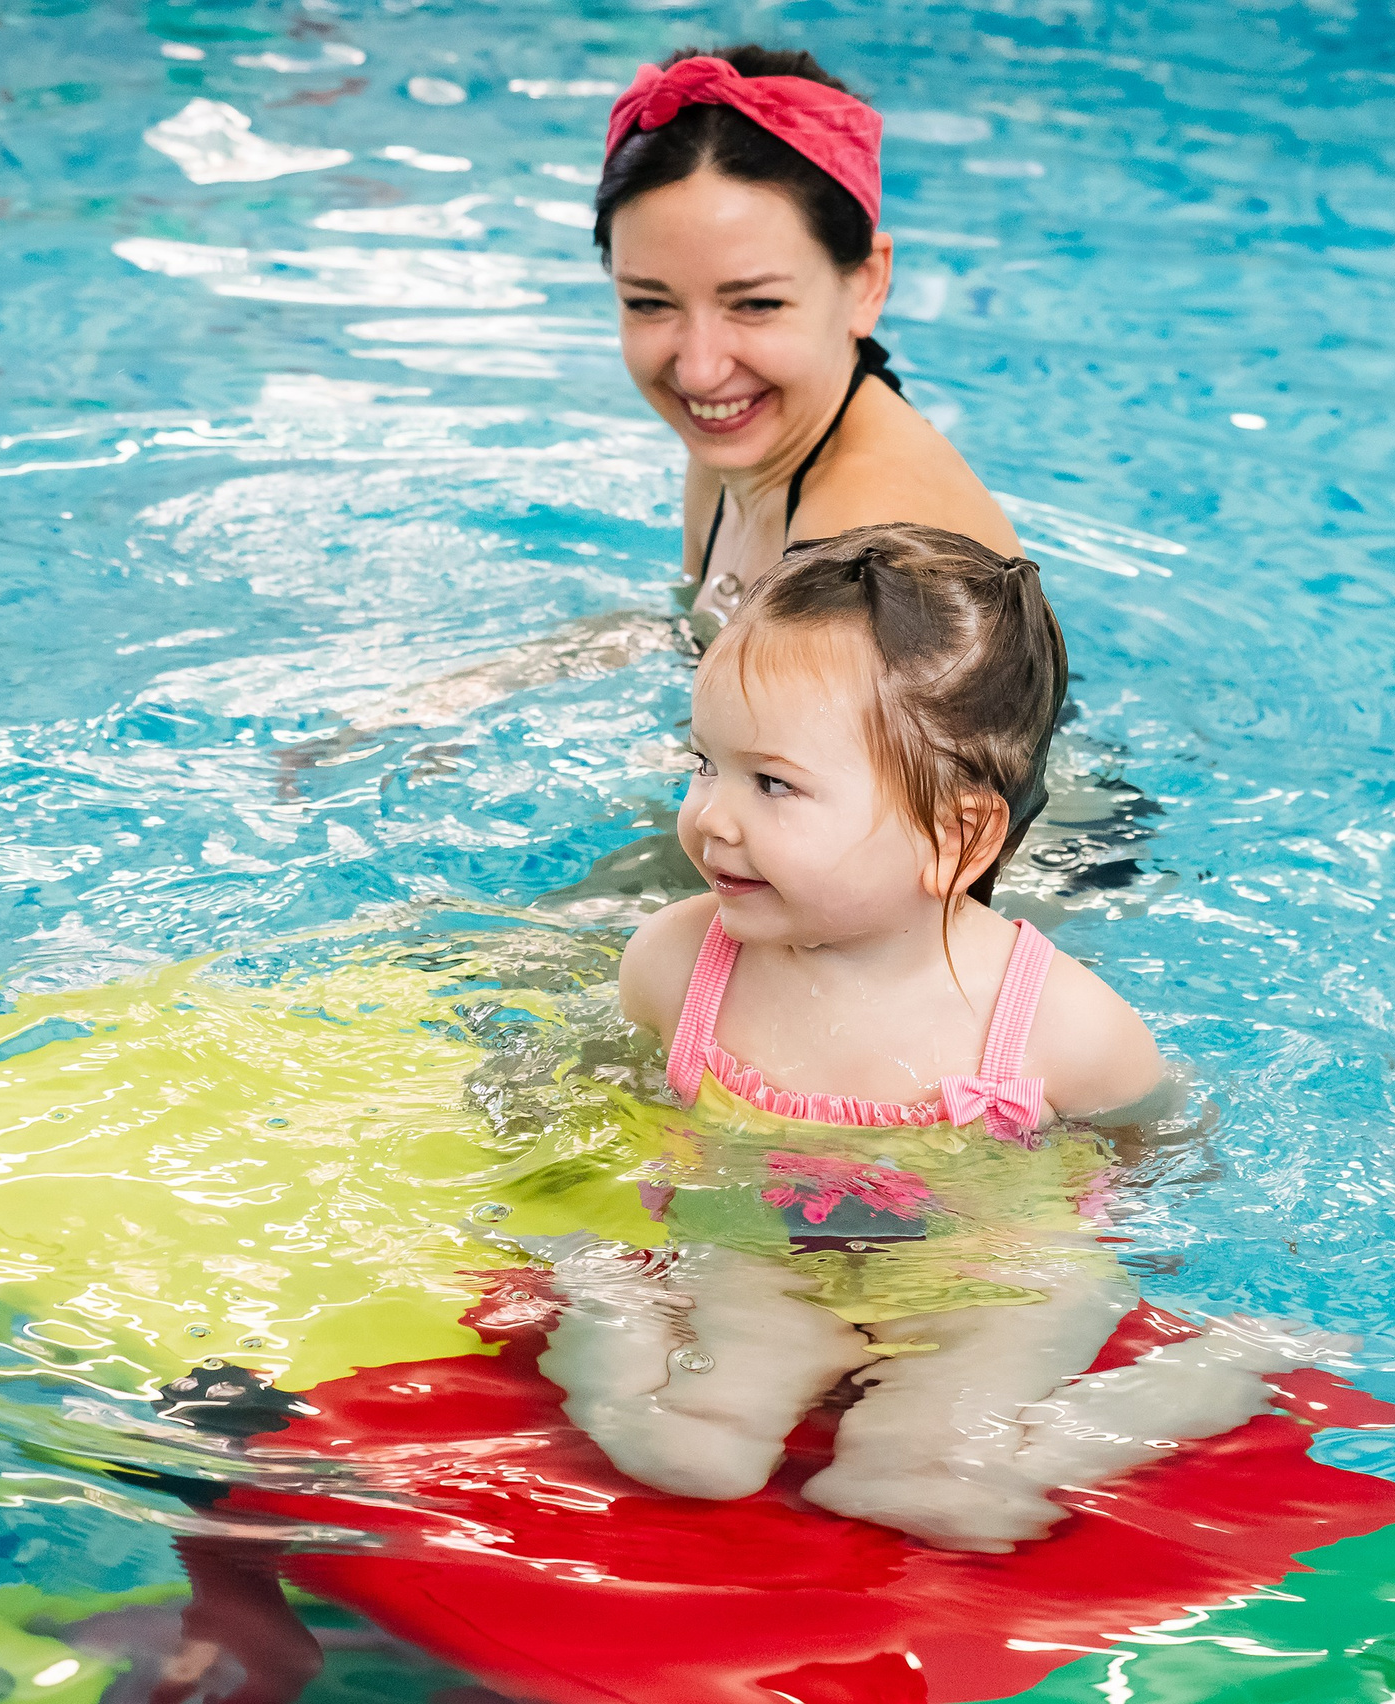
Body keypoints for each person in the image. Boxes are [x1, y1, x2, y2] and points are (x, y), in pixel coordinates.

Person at [535, 524, 1306, 1553]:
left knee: (924, 1481)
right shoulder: (679, 965)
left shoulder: (1055, 1027)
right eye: (703, 763)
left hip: (986, 1282)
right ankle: (611, 1301)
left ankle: (1203, 1376)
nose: (712, 819)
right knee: (687, 1449)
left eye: (772, 784)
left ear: (957, 836)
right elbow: (607, 1098)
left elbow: (1158, 1151)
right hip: (761, 1255)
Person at [595, 46, 1020, 642]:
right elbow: (690, 638)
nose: (699, 371)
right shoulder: (737, 440)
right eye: (649, 303)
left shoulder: (868, 547)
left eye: (757, 304)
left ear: (866, 284)